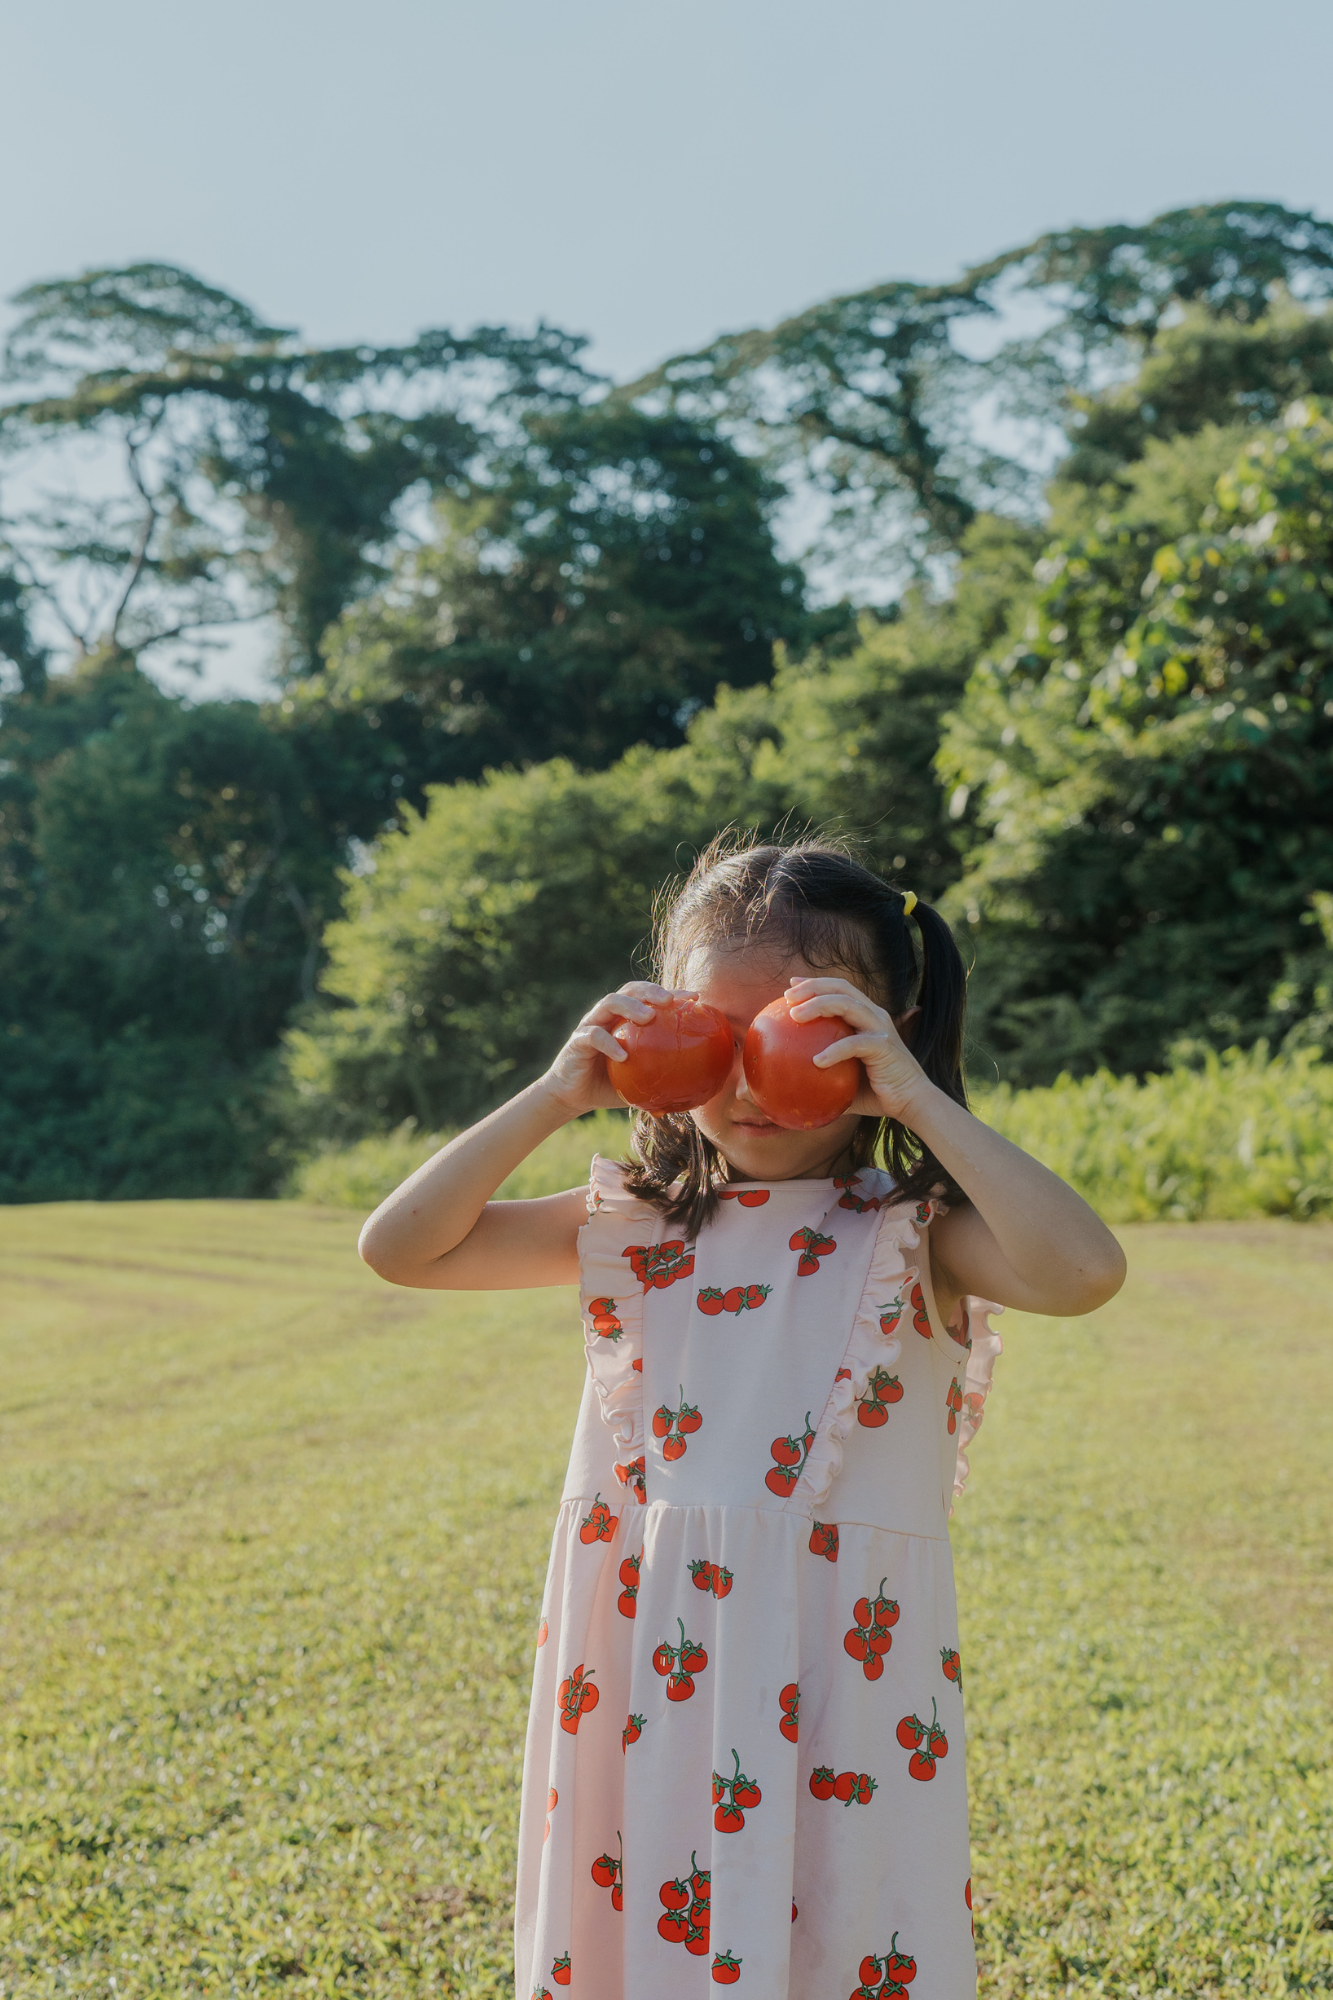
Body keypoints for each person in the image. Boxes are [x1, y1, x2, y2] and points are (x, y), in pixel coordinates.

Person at [358, 838, 1126, 2000]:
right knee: (641, 1920)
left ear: (886, 1031)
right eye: (715, 1034)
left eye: (799, 1032)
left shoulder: (914, 1235)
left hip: (840, 1675)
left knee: (844, 1916)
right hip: (644, 1667)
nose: (752, 1081)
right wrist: (560, 1090)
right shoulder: (632, 1220)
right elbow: (400, 1246)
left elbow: (1083, 1269)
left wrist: (913, 1093)